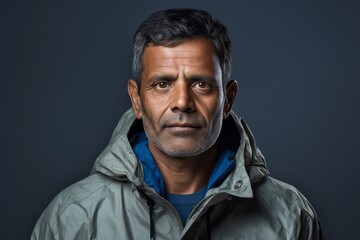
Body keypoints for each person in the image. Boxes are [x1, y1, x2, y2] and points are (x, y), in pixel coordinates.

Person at [31, 8, 323, 239]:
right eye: (162, 84)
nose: (182, 101)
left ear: (228, 99)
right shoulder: (72, 217)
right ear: (136, 99)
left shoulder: (290, 216)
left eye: (201, 84)